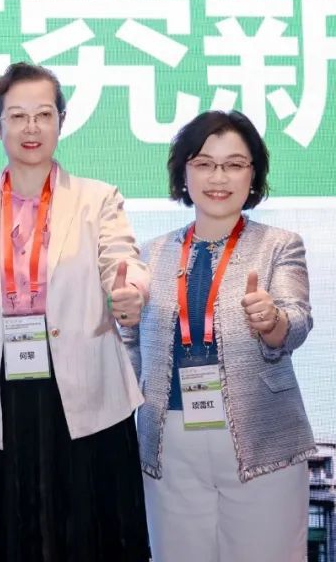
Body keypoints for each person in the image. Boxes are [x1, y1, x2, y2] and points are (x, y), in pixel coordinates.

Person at [0, 61, 151, 561]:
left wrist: (130, 293)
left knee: (93, 539)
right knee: (9, 541)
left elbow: (122, 261)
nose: (31, 128)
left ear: (61, 121)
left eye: (43, 115)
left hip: (86, 395)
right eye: (17, 116)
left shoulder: (98, 199)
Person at [123, 110, 314, 562]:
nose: (218, 177)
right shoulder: (150, 254)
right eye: (204, 163)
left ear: (253, 174)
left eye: (234, 164)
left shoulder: (280, 244)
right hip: (169, 443)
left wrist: (272, 321)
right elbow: (132, 348)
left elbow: (297, 321)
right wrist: (122, 321)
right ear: (183, 172)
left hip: (260, 438)